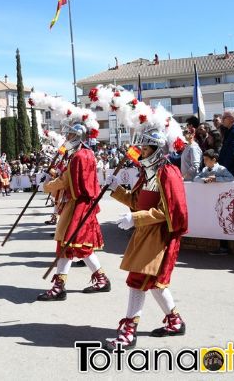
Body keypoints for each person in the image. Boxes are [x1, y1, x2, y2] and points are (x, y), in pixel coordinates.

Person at [104, 126, 189, 350]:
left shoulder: (168, 172)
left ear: (156, 150)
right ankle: (174, 321)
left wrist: (136, 219)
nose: (140, 152)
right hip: (145, 233)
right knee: (152, 283)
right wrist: (117, 190)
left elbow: (168, 212)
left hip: (158, 236)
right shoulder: (147, 173)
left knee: (137, 282)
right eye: (140, 147)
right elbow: (136, 202)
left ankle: (128, 333)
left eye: (144, 148)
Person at [38, 123, 109, 301]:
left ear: (76, 136)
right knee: (72, 245)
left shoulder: (80, 156)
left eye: (69, 135)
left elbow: (66, 180)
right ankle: (98, 279)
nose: (66, 138)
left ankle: (60, 286)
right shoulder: (80, 154)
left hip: (79, 204)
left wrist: (47, 185)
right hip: (76, 203)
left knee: (71, 244)